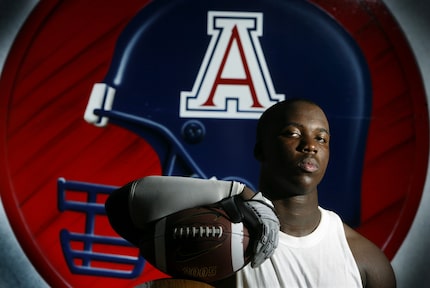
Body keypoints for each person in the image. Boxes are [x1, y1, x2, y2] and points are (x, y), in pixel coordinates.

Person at [105, 99, 396, 287]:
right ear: (260, 149)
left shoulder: (364, 260)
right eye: (293, 133)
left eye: (321, 138)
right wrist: (236, 191)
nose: (310, 145)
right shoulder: (225, 235)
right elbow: (120, 206)